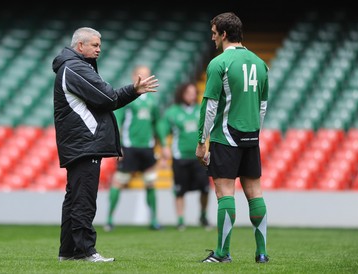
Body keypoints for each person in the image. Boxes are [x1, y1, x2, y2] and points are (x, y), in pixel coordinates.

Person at [52, 27, 158, 263]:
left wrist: (132, 91)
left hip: (79, 143)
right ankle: (85, 251)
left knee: (74, 197)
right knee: (83, 199)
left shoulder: (74, 66)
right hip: (84, 143)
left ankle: (68, 252)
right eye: (95, 45)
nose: (100, 49)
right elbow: (109, 97)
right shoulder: (75, 67)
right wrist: (134, 90)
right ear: (80, 46)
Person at [195, 12, 269, 263]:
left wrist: (201, 141)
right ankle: (261, 253)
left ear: (224, 34)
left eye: (215, 32)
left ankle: (222, 254)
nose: (212, 36)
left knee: (225, 193)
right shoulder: (260, 63)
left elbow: (210, 105)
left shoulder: (219, 63)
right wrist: (255, 134)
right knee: (255, 193)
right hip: (251, 136)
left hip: (226, 136)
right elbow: (262, 107)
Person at [104, 65, 161, 232]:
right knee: (119, 182)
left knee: (151, 183)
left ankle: (154, 220)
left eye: (147, 75)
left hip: (147, 148)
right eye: (141, 75)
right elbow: (118, 122)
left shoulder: (152, 100)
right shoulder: (128, 99)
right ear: (134, 76)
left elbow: (156, 123)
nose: (144, 78)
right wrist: (118, 146)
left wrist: (163, 145)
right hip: (129, 147)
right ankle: (109, 219)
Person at [157, 82, 211, 231]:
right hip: (180, 157)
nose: (192, 95)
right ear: (182, 94)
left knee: (205, 188)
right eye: (189, 92)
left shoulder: (201, 110)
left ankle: (203, 216)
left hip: (199, 158)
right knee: (180, 190)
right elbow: (162, 129)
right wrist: (164, 146)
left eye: (194, 92)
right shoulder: (172, 112)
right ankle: (181, 219)